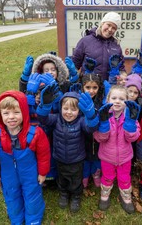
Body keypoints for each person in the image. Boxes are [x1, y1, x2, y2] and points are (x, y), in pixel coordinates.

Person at [0, 90, 50, 224]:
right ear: (0, 115)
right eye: (6, 113)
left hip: (30, 175)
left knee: (32, 198)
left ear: (24, 113)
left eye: (16, 112)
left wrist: (43, 173)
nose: (11, 117)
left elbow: (44, 155)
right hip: (8, 177)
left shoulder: (36, 133)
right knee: (12, 199)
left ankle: (33, 220)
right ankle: (17, 219)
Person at [36, 83, 99, 213]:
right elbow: (43, 119)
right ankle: (63, 193)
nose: (69, 113)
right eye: (65, 108)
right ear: (60, 108)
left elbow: (91, 129)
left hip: (77, 159)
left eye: (73, 110)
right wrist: (45, 105)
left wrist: (91, 116)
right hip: (59, 158)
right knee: (62, 178)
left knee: (76, 180)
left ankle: (76, 196)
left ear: (79, 111)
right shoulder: (56, 119)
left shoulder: (81, 121)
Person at [94, 85, 141, 214]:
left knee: (124, 178)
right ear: (108, 100)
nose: (117, 101)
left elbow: (132, 138)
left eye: (121, 98)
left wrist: (131, 123)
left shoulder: (130, 116)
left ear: (127, 102)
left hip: (125, 157)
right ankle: (105, 196)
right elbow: (99, 138)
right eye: (114, 98)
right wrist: (103, 125)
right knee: (107, 177)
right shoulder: (104, 116)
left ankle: (126, 197)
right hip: (107, 156)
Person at [72, 11, 123, 81]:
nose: (110, 29)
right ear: (102, 23)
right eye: (108, 25)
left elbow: (121, 68)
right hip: (89, 87)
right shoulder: (85, 41)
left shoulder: (116, 46)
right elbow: (74, 65)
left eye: (114, 28)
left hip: (108, 88)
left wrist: (122, 76)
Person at [80, 73, 105, 189]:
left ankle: (96, 174)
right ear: (82, 87)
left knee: (97, 158)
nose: (91, 91)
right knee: (85, 158)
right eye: (88, 87)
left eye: (94, 87)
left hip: (98, 138)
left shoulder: (101, 102)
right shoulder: (79, 101)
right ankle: (85, 176)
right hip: (84, 137)